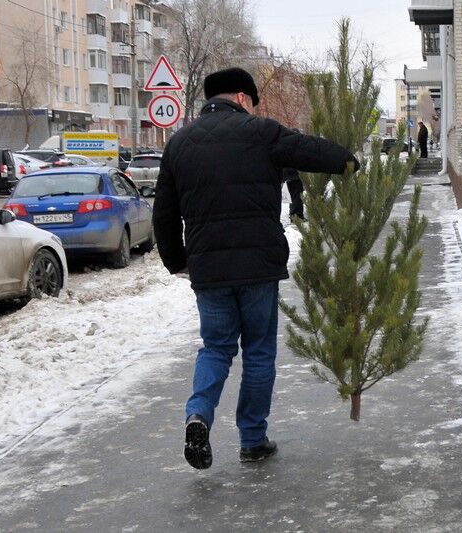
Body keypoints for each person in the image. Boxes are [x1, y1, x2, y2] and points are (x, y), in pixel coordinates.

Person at [153, 67, 358, 469]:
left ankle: (198, 414)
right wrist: (349, 163)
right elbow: (309, 151)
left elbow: (163, 213)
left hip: (208, 270)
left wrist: (178, 262)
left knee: (216, 348)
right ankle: (252, 439)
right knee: (259, 353)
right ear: (244, 98)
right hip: (258, 268)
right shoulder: (261, 132)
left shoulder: (179, 143)